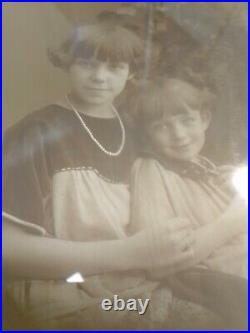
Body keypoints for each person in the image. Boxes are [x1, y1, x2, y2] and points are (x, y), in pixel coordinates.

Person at [2, 23, 196, 330]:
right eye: (86, 64)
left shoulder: (135, 130)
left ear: (131, 71)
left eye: (115, 67)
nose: (99, 77)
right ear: (67, 62)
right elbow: (7, 250)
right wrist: (133, 253)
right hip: (67, 286)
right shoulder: (35, 132)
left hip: (141, 282)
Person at [129, 76, 248, 328]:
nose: (179, 135)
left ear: (204, 119)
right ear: (148, 135)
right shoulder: (151, 170)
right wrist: (234, 218)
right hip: (223, 282)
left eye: (187, 121)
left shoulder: (206, 167)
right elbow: (158, 260)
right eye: (162, 127)